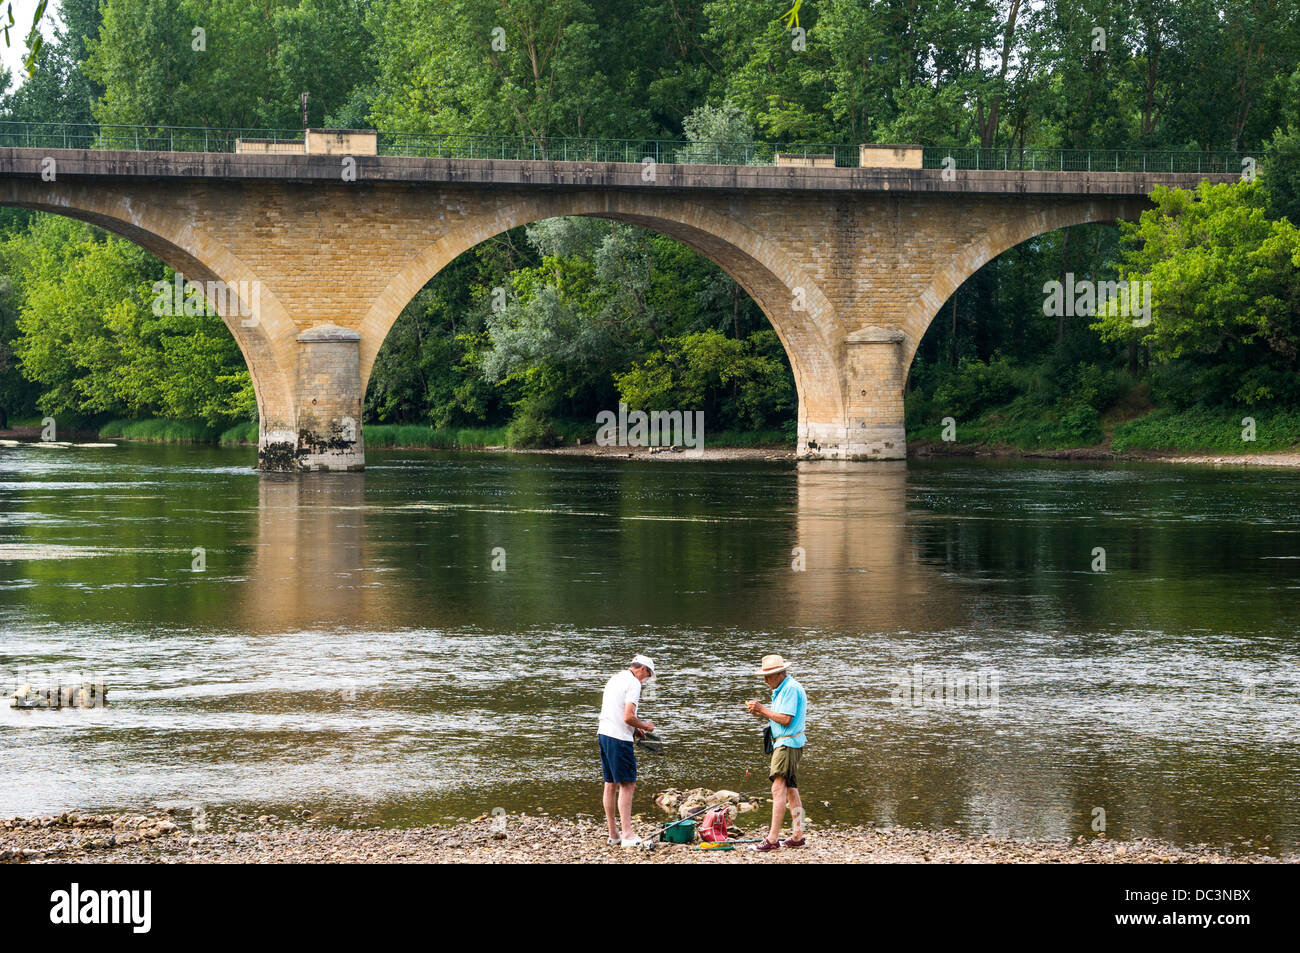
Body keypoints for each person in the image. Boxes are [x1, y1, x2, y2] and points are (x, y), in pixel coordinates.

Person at [745, 653, 807, 851]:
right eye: (764, 675)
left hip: (787, 744)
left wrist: (762, 709)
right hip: (788, 743)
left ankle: (772, 840)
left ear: (780, 673)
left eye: (768, 675)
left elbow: (786, 719)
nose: (765, 679)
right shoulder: (784, 688)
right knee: (790, 789)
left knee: (777, 788)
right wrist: (763, 712)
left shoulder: (789, 688)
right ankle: (798, 835)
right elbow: (781, 717)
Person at [598, 654, 656, 847]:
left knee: (610, 783)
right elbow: (628, 716)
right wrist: (646, 726)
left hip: (604, 733)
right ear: (642, 669)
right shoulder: (634, 683)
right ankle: (628, 835)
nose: (646, 679)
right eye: (647, 675)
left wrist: (635, 728)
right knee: (627, 784)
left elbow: (617, 711)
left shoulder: (615, 678)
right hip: (619, 738)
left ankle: (613, 834)